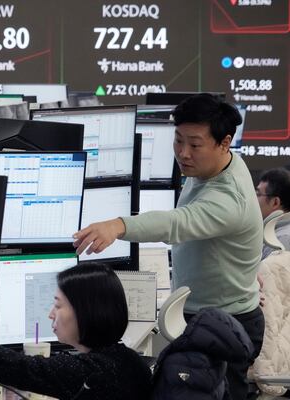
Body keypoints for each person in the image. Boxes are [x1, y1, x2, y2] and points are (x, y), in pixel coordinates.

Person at [73, 93, 264, 400]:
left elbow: (177, 223)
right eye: (178, 141)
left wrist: (118, 225)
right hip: (212, 312)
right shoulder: (216, 166)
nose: (183, 153)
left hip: (225, 325)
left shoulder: (229, 200)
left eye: (195, 144)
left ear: (224, 143)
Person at [0, 263, 151, 400]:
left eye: (58, 306)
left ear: (84, 312)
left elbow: (18, 367)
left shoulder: (90, 372)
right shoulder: (130, 359)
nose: (50, 314)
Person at [256, 168, 290, 259]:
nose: (254, 199)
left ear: (275, 202)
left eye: (258, 194)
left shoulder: (281, 239)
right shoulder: (275, 234)